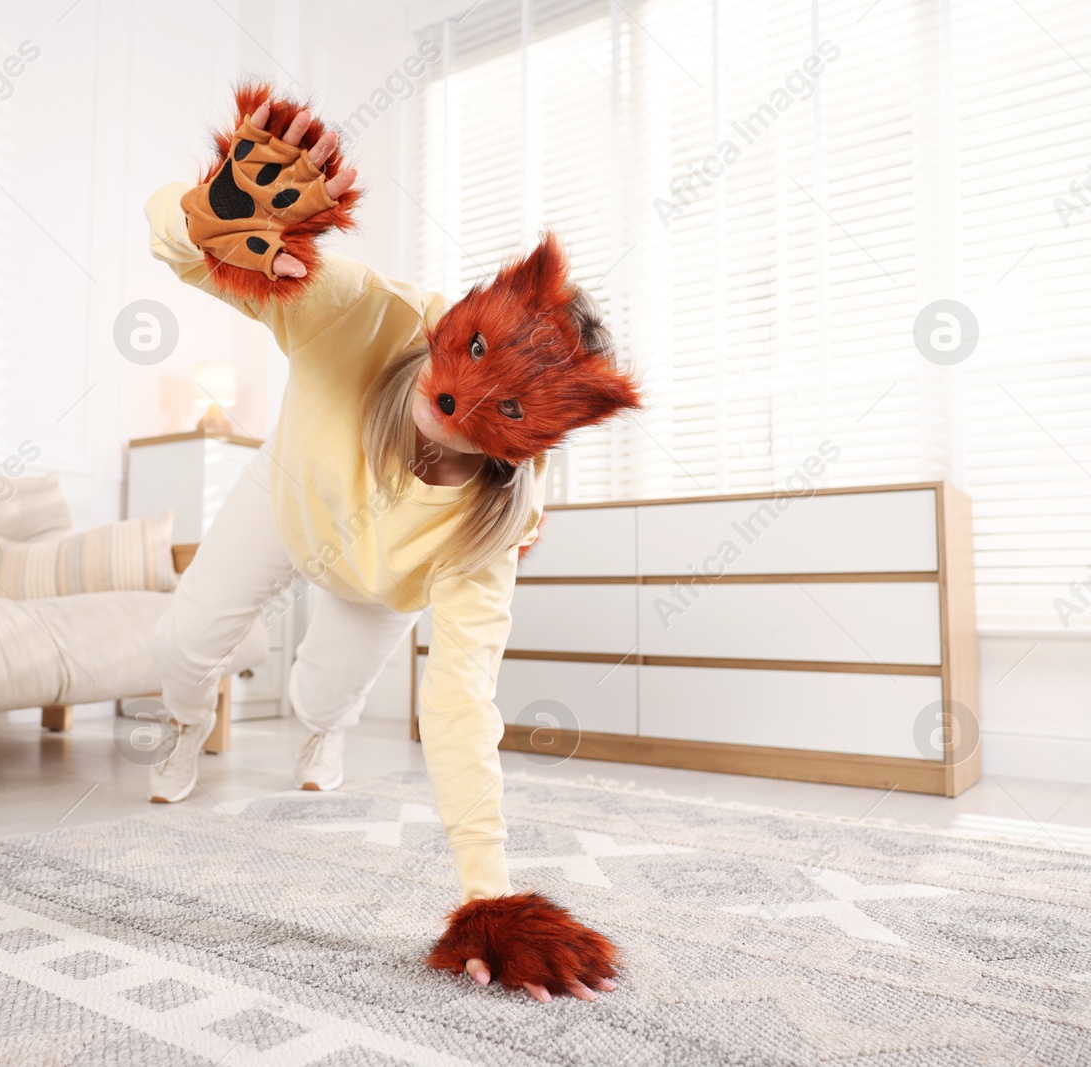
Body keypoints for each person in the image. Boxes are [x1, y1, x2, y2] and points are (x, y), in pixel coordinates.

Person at [143, 85, 640, 1003]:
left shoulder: (488, 525)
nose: (463, 395)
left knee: (318, 694)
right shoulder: (365, 315)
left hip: (378, 580)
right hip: (288, 494)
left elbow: (461, 704)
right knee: (183, 643)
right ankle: (179, 727)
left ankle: (322, 730)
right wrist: (210, 210)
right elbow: (184, 254)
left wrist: (488, 897)